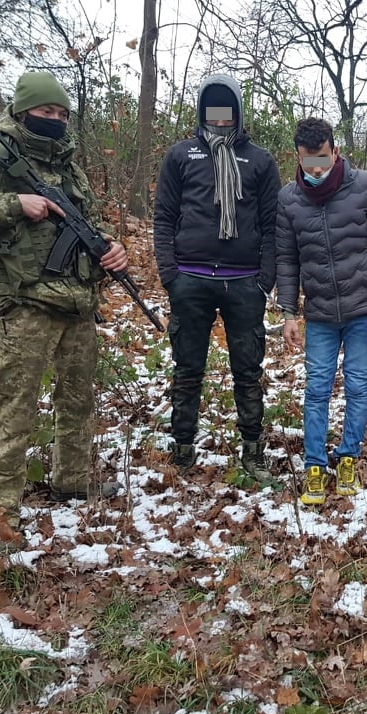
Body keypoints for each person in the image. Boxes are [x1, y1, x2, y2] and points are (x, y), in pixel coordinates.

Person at [0, 71, 127, 544]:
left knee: (78, 400)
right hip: (23, 303)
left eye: (61, 113)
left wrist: (111, 250)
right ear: (22, 112)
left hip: (77, 300)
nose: (54, 120)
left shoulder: (70, 167)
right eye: (45, 112)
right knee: (15, 405)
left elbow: (90, 225)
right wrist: (12, 204)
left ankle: (73, 479)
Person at [153, 73, 281, 481]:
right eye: (214, 109)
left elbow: (273, 225)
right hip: (190, 278)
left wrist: (265, 278)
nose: (221, 118)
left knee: (248, 369)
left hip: (245, 282)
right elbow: (164, 217)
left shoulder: (260, 160)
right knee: (188, 367)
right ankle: (183, 448)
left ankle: (252, 450)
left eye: (228, 110)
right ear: (203, 111)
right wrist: (170, 273)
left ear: (239, 112)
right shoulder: (180, 156)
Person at [275, 118, 367, 505]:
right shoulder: (289, 199)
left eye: (323, 159)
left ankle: (348, 457)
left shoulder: (364, 186)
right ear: (297, 155)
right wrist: (288, 312)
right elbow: (287, 259)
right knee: (316, 389)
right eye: (308, 160)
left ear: (335, 151)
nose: (316, 169)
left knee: (359, 385)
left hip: (365, 309)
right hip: (320, 315)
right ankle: (314, 464)